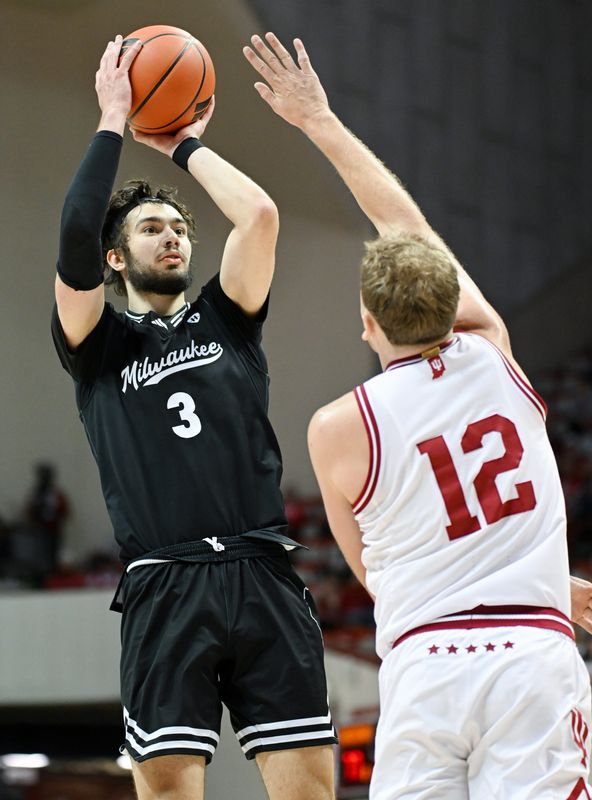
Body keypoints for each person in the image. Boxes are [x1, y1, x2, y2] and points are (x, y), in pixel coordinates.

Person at [244, 33, 592, 798]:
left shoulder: (338, 429)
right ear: (451, 304)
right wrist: (323, 121)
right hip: (532, 658)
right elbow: (402, 219)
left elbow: (375, 570)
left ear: (367, 323)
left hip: (427, 666)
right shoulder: (494, 350)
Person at [51, 36, 336, 800]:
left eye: (177, 229)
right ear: (117, 259)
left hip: (263, 570)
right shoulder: (98, 343)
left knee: (309, 790)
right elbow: (74, 240)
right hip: (166, 580)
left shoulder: (227, 319)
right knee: (170, 792)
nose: (172, 235)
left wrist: (182, 146)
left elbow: (262, 217)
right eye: (151, 229)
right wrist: (114, 119)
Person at [24, 462, 69, 576]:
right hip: (39, 531)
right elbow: (29, 511)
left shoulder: (55, 494)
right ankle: (39, 576)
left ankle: (52, 575)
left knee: (52, 553)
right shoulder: (36, 494)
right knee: (38, 554)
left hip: (53, 530)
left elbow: (65, 511)